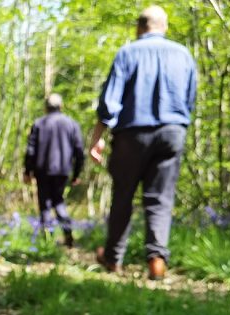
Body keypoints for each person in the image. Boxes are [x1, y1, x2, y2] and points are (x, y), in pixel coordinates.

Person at [89, 5, 197, 280]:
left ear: (139, 27)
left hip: (132, 134)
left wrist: (98, 137)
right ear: (165, 27)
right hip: (172, 131)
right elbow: (190, 98)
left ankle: (113, 259)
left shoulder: (128, 52)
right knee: (160, 198)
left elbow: (110, 101)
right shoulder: (183, 55)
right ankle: (156, 261)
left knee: (123, 195)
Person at [24, 93, 85, 248]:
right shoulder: (71, 124)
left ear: (46, 107)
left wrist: (27, 171)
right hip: (62, 171)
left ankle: (47, 240)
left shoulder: (39, 124)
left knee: (45, 203)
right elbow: (79, 151)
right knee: (58, 201)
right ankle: (67, 235)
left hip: (42, 170)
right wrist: (77, 173)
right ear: (61, 106)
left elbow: (31, 150)